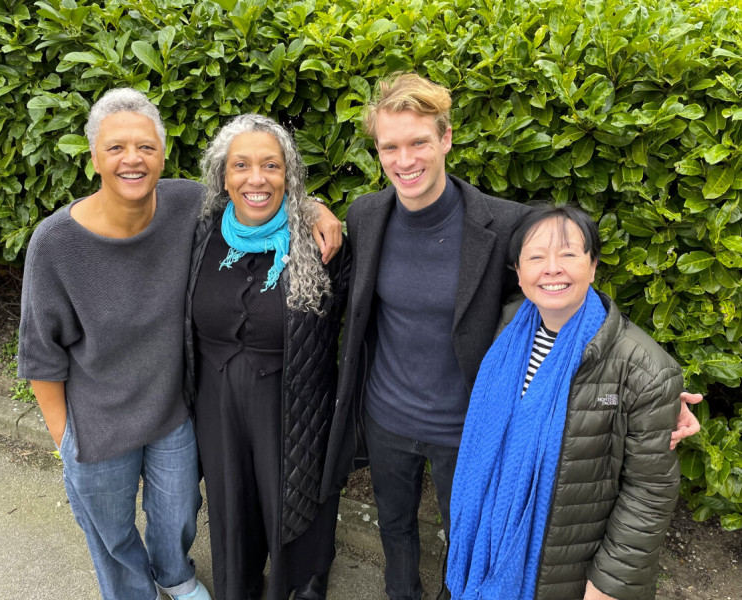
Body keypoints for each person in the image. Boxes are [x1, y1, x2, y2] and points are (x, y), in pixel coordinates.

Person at [319, 72, 702, 600]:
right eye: (390, 146)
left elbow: (567, 298)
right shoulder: (366, 214)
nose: (404, 160)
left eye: (418, 143)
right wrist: (314, 208)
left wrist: (654, 396)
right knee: (395, 528)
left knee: (470, 538)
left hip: (470, 425)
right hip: (386, 416)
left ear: (446, 138)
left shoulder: (503, 224)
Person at [17, 89, 342, 600]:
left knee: (176, 518)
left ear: (163, 154)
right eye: (116, 148)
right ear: (93, 157)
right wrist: (66, 443)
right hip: (98, 425)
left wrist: (315, 210)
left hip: (172, 413)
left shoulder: (186, 204)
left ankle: (174, 575)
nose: (132, 160)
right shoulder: (55, 243)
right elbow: (40, 355)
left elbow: (259, 189)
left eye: (145, 147)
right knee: (112, 534)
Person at [447, 204, 681, 600]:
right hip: (485, 548)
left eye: (569, 254)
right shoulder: (505, 329)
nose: (551, 268)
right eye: (536, 257)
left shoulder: (644, 368)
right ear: (519, 273)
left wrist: (608, 584)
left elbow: (649, 490)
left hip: (570, 574)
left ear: (593, 266)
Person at [183, 113, 350, 600]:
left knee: (291, 501)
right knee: (230, 502)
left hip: (290, 397)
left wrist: (315, 207)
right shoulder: (200, 232)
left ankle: (299, 587)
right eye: (241, 165)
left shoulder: (321, 242)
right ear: (223, 176)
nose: (256, 179)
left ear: (289, 176)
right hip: (215, 401)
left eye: (271, 166)